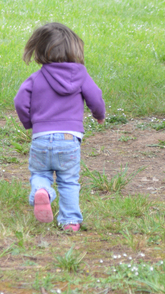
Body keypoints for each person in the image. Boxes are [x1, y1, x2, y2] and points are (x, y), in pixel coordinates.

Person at [13, 23, 106, 232]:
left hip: (41, 138)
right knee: (69, 181)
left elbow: (20, 101)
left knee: (40, 173)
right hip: (69, 139)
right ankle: (70, 221)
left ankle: (43, 191)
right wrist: (99, 115)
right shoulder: (81, 75)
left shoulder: (36, 78)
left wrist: (30, 123)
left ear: (41, 51)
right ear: (75, 50)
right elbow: (96, 97)